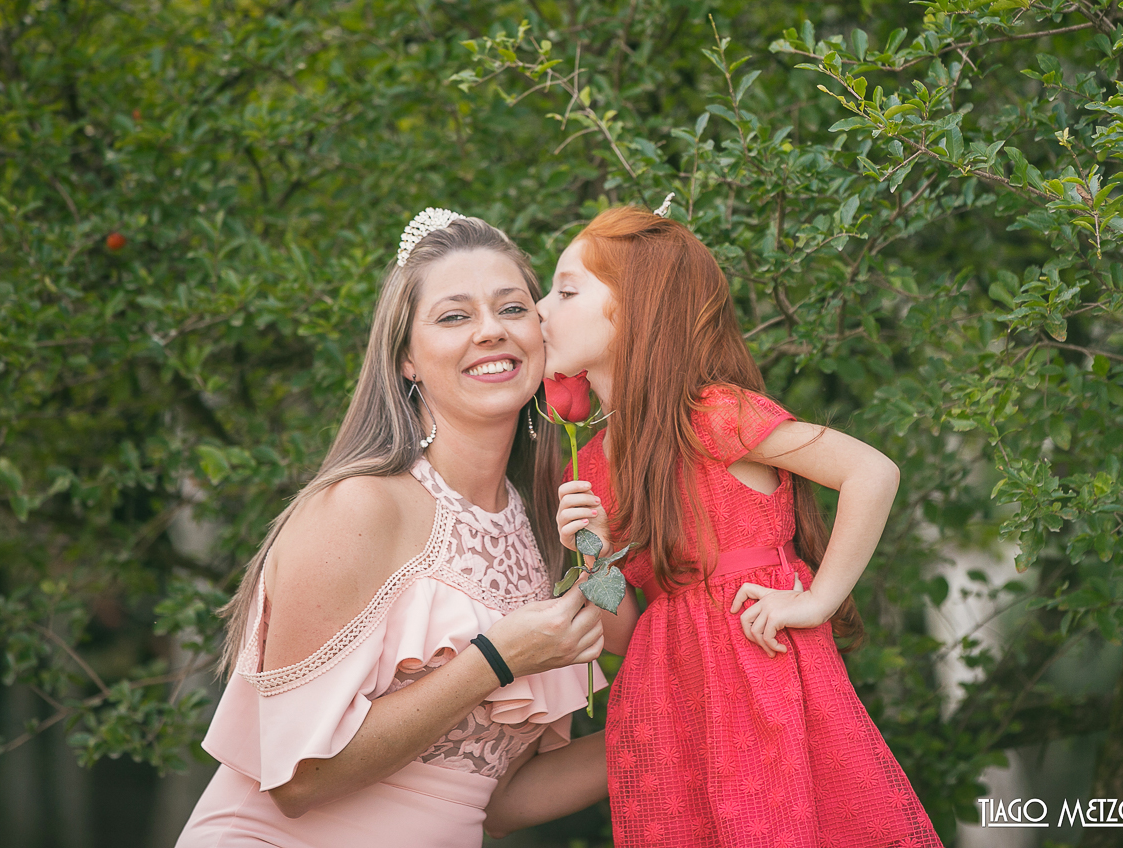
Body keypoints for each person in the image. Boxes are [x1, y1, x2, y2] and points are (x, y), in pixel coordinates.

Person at [176, 210, 609, 848]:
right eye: (455, 316)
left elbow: (495, 800)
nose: (490, 331)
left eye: (512, 308)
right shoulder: (360, 507)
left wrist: (678, 719)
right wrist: (496, 660)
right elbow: (296, 782)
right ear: (407, 357)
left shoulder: (545, 535)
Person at [537, 203, 942, 847]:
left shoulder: (715, 414)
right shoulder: (589, 465)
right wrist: (594, 556)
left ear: (638, 306)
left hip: (758, 673)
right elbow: (623, 632)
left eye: (564, 290)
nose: (539, 309)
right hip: (668, 701)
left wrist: (816, 599)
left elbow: (872, 473)